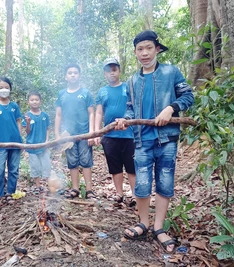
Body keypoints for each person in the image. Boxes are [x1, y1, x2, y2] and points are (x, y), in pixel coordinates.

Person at [115, 30, 194, 253]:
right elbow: (130, 109)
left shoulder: (171, 72)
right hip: (141, 139)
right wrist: (125, 121)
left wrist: (170, 108)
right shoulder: (131, 81)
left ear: (157, 49)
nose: (145, 53)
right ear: (135, 53)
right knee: (141, 183)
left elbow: (188, 96)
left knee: (165, 181)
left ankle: (159, 227)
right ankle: (143, 223)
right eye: (140, 49)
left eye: (149, 48)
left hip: (167, 138)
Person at [94, 58, 136, 204]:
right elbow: (99, 112)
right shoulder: (102, 91)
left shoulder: (128, 88)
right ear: (104, 74)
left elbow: (134, 107)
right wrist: (97, 132)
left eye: (114, 70)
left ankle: (134, 194)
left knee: (131, 166)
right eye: (108, 71)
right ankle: (119, 193)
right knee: (115, 166)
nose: (112, 73)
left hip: (129, 133)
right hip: (110, 134)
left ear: (119, 71)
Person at [54, 63, 96, 199]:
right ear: (66, 76)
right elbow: (58, 115)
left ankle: (89, 190)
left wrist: (91, 133)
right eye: (70, 73)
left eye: (75, 73)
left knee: (86, 160)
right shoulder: (62, 94)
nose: (73, 75)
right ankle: (75, 189)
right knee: (72, 161)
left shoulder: (85, 93)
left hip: (84, 132)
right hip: (68, 134)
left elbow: (91, 113)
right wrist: (57, 134)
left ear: (79, 76)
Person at [0, 77, 23, 207]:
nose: (4, 90)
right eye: (1, 87)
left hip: (15, 143)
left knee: (14, 169)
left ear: (10, 89)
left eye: (6, 87)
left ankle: (10, 193)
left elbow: (19, 122)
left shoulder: (14, 106)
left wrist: (21, 141)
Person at [23, 91, 51, 194]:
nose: (34, 102)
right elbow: (27, 131)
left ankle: (48, 185)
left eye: (36, 100)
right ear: (28, 102)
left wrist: (47, 141)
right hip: (32, 146)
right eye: (32, 100)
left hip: (43, 146)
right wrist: (28, 123)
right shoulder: (27, 115)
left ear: (40, 101)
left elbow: (48, 128)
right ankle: (38, 186)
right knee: (35, 166)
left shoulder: (45, 115)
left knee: (46, 164)